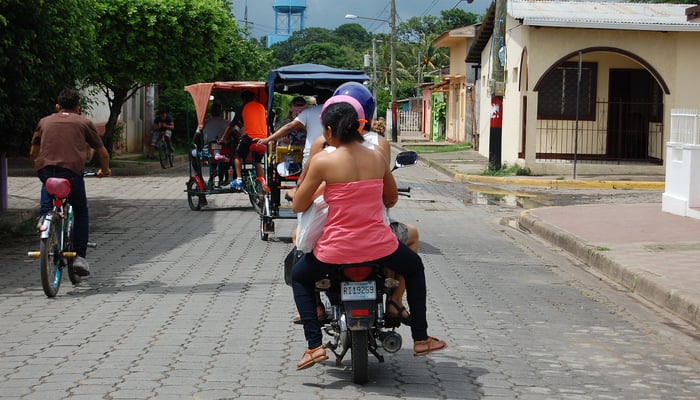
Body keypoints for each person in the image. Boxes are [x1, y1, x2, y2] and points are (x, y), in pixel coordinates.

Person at [290, 101, 446, 371]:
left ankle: (314, 345)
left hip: (334, 251)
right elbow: (392, 198)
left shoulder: (323, 160)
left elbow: (298, 205)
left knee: (299, 276)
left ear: (329, 131)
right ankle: (420, 338)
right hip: (380, 248)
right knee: (414, 266)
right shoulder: (376, 156)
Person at [29, 89, 111, 276]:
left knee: (48, 185)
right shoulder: (83, 122)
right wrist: (104, 170)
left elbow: (33, 153)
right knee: (81, 211)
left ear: (57, 107)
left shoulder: (44, 121)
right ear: (77, 107)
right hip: (72, 174)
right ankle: (80, 257)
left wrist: (40, 166)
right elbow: (103, 153)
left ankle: (44, 218)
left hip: (47, 172)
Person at [219, 90, 267, 190]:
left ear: (244, 99)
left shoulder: (243, 108)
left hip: (249, 137)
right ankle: (262, 182)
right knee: (257, 162)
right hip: (263, 139)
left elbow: (230, 126)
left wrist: (223, 139)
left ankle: (239, 180)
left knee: (237, 155)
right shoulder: (262, 107)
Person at [193, 102, 231, 186]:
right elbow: (235, 134)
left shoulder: (203, 123)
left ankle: (199, 176)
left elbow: (195, 139)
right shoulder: (228, 123)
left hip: (208, 152)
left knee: (193, 153)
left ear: (211, 112)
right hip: (224, 152)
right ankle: (226, 176)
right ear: (221, 112)